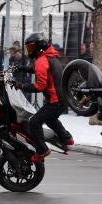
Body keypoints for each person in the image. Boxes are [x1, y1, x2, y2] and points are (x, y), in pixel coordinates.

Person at [15, 33, 73, 161]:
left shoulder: (42, 61)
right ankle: (67, 138)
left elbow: (39, 87)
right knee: (50, 119)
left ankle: (42, 151)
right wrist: (22, 69)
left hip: (54, 101)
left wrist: (21, 85)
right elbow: (37, 69)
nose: (29, 51)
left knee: (34, 122)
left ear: (38, 47)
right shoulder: (50, 56)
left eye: (30, 47)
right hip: (62, 99)